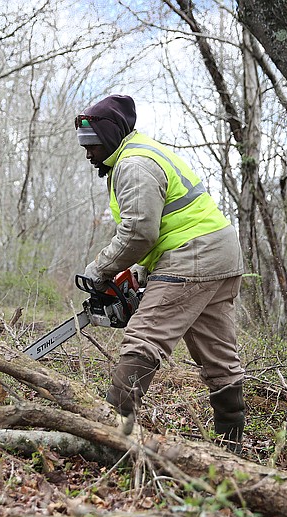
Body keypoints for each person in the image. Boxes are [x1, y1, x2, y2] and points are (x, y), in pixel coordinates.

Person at [75, 94, 247, 453]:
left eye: (92, 145)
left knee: (143, 338)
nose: (88, 153)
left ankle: (110, 441)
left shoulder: (133, 164)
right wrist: (140, 269)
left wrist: (101, 269)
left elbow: (139, 231)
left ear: (110, 136)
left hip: (193, 255)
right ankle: (232, 449)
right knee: (219, 358)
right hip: (219, 253)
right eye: (84, 145)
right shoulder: (144, 152)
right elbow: (164, 223)